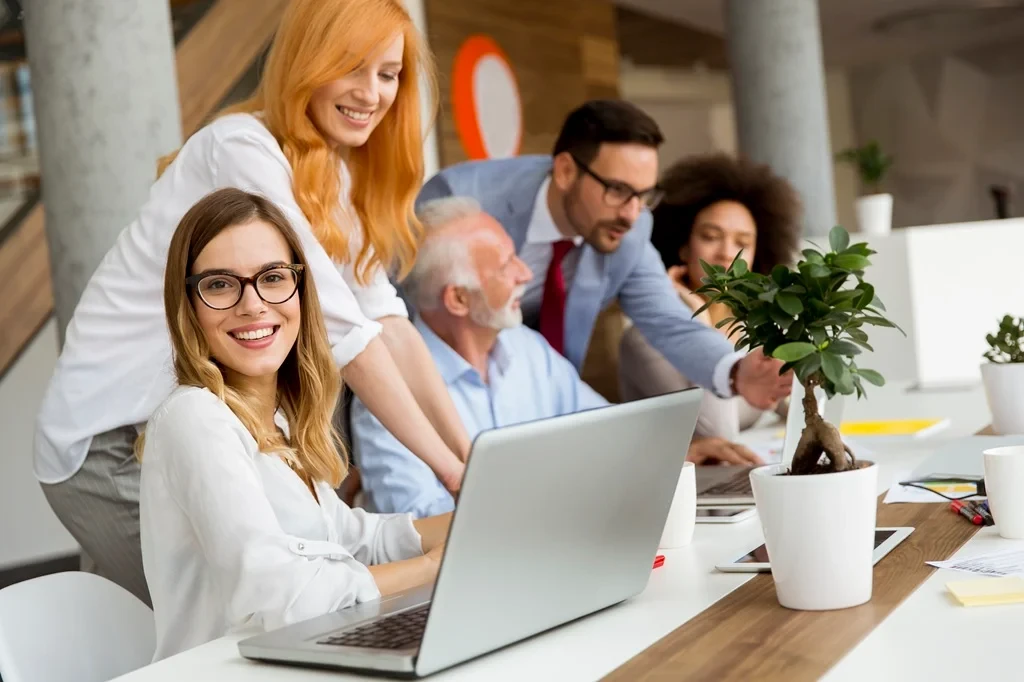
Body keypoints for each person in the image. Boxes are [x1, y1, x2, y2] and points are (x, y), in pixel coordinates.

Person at [34, 0, 469, 607]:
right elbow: (348, 336)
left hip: (205, 430)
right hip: (113, 438)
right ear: (307, 62)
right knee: (235, 620)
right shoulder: (240, 146)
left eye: (389, 74)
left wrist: (472, 456)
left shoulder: (337, 177)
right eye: (352, 66)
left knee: (208, 618)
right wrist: (453, 474)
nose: (372, 93)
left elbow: (388, 323)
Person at [140, 188, 451, 661]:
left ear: (299, 290)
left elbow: (349, 539)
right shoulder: (194, 418)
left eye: (272, 277)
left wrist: (463, 527)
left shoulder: (278, 420)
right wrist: (431, 568)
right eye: (221, 284)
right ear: (189, 307)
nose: (253, 305)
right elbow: (281, 593)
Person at [351, 197, 764, 518]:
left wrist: (674, 451)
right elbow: (415, 523)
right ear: (458, 298)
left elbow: (607, 433)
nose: (526, 275)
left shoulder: (527, 350)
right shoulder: (388, 392)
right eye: (505, 266)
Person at [415, 99, 792, 429]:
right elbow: (401, 318)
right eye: (618, 191)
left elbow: (667, 321)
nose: (631, 214)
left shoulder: (631, 227)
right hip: (447, 397)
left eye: (644, 195)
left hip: (550, 396)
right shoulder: (461, 203)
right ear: (565, 171)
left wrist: (738, 372)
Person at [618, 153, 801, 440]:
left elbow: (794, 407)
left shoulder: (754, 327)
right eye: (711, 236)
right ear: (683, 248)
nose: (727, 252)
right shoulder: (646, 341)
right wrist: (704, 326)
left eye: (742, 242)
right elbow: (719, 434)